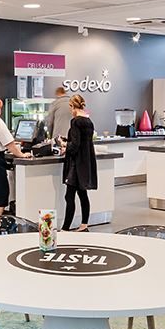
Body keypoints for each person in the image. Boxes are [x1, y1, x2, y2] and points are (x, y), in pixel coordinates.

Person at [60, 94, 96, 232]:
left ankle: (65, 228)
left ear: (72, 106)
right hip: (85, 163)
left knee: (69, 196)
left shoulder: (75, 122)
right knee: (83, 194)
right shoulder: (89, 121)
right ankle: (84, 225)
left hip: (75, 165)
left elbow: (75, 145)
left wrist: (65, 146)